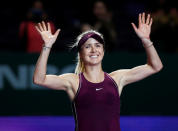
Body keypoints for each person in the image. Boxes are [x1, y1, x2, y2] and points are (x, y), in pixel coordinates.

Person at [33, 13, 163, 131]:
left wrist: (146, 40)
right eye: (88, 46)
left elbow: (155, 67)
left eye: (98, 45)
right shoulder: (74, 81)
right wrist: (47, 46)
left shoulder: (117, 79)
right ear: (81, 54)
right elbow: (39, 79)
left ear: (103, 51)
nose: (94, 50)